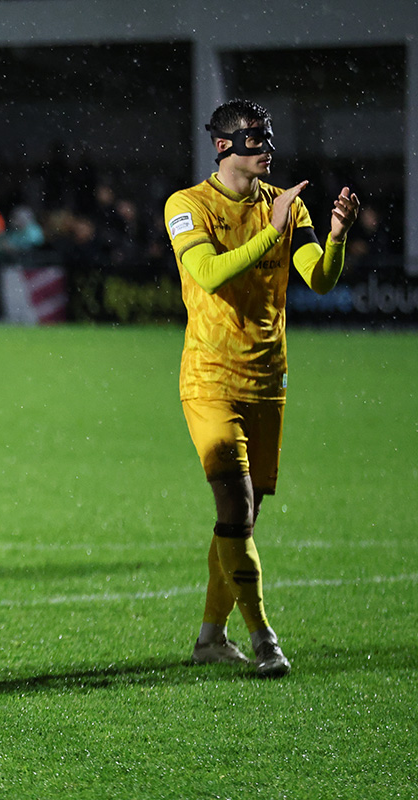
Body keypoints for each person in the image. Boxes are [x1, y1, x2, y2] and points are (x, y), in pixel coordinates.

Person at [164, 99, 359, 677]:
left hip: (268, 380)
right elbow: (207, 274)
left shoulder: (285, 204)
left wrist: (336, 237)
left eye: (268, 136)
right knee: (235, 505)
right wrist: (270, 231)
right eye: (254, 138)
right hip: (210, 378)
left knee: (241, 518)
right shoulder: (187, 205)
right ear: (223, 146)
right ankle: (263, 638)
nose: (266, 147)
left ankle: (210, 636)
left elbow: (318, 279)